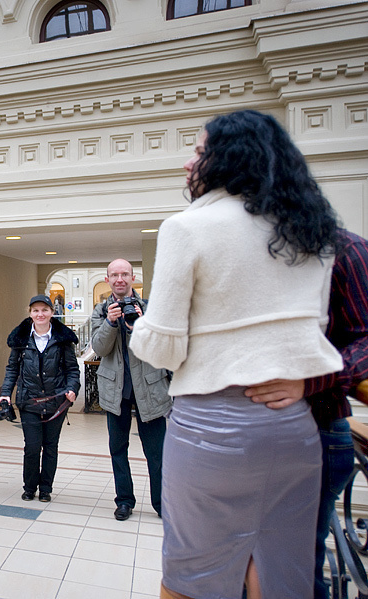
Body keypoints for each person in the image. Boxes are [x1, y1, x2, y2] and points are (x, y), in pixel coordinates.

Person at [128, 110, 343, 599]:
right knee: (279, 572)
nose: (189, 163)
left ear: (230, 158)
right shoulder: (310, 231)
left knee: (193, 575)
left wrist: (141, 322)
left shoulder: (189, 227)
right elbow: (312, 334)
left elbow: (162, 347)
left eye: (200, 151)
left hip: (212, 431)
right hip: (292, 429)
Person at [245, 229, 368, 599]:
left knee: (291, 571)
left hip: (315, 430)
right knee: (247, 563)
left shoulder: (344, 249)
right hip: (248, 436)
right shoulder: (247, 249)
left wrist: (312, 381)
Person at [90, 259, 171, 521]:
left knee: (156, 452)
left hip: (150, 389)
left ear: (133, 277)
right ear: (108, 279)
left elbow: (160, 346)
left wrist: (142, 323)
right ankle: (124, 500)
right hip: (117, 390)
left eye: (125, 274)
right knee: (118, 449)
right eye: (115, 275)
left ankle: (162, 503)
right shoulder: (101, 311)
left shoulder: (150, 308)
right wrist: (111, 323)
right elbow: (99, 349)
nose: (120, 279)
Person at [0, 295, 80, 502]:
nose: (40, 314)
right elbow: (12, 369)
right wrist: (5, 393)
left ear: (52, 312)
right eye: (36, 310)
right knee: (33, 447)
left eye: (44, 310)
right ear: (30, 313)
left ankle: (46, 489)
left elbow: (72, 369)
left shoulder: (63, 340)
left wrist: (72, 389)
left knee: (50, 447)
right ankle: (29, 487)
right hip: (29, 401)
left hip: (56, 402)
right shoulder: (21, 339)